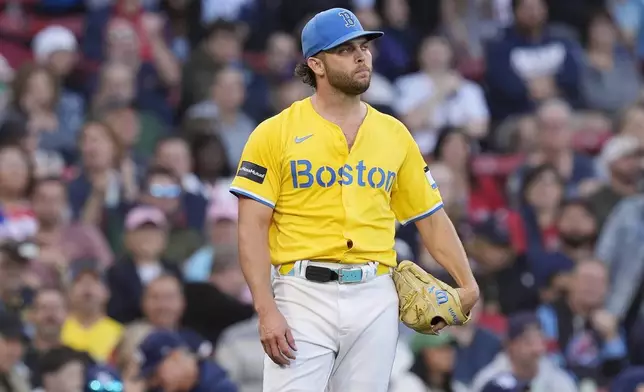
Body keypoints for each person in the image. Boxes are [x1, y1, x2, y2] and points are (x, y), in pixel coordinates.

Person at [230, 7, 479, 392]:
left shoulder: (394, 133)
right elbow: (250, 227)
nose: (362, 56)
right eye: (345, 49)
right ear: (317, 64)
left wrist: (467, 282)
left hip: (375, 293)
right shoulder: (274, 133)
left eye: (364, 46)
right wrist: (265, 309)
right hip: (302, 292)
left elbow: (430, 216)